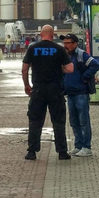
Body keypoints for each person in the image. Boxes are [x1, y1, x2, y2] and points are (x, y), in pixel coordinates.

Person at [22, 25, 74, 161]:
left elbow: (24, 69)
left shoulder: (32, 48)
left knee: (35, 121)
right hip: (55, 89)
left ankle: (32, 152)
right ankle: (62, 152)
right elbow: (70, 69)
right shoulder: (60, 49)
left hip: (38, 89)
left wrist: (27, 85)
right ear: (53, 34)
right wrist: (59, 69)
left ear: (41, 34)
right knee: (58, 121)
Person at [60, 33, 99, 157]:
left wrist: (85, 77)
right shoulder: (65, 55)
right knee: (74, 121)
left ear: (75, 43)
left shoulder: (81, 54)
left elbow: (96, 64)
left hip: (81, 93)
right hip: (70, 93)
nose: (65, 45)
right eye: (64, 43)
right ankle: (78, 146)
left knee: (83, 121)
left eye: (68, 43)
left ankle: (86, 147)